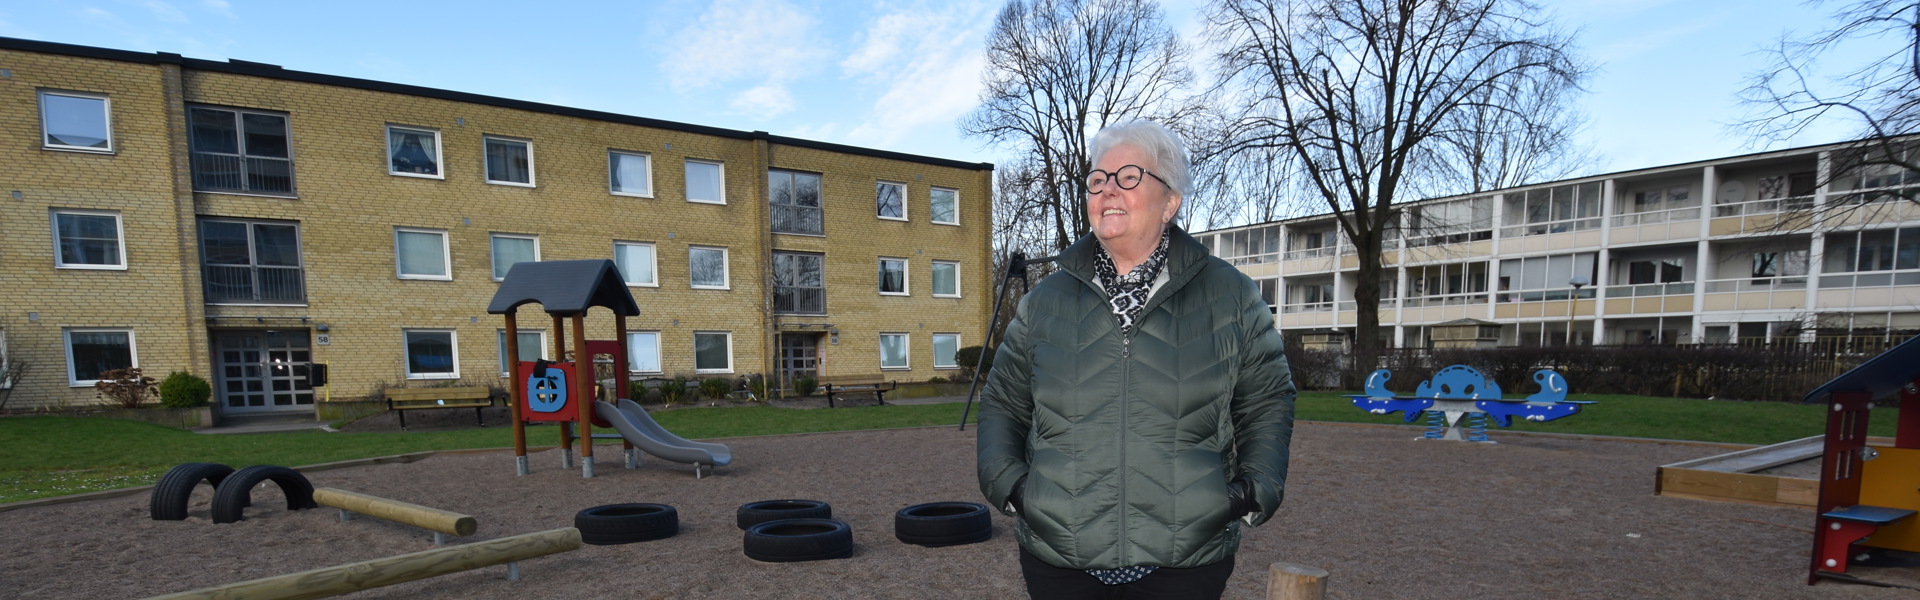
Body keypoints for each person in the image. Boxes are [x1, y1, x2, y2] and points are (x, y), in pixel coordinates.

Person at [976, 120, 1297, 599]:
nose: (1108, 190)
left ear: (1170, 202)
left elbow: (1267, 401)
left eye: (1128, 177)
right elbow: (1003, 402)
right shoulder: (1044, 302)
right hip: (1059, 558)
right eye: (1098, 180)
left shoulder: (1230, 296)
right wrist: (1018, 492)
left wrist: (1248, 494)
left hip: (1186, 560)